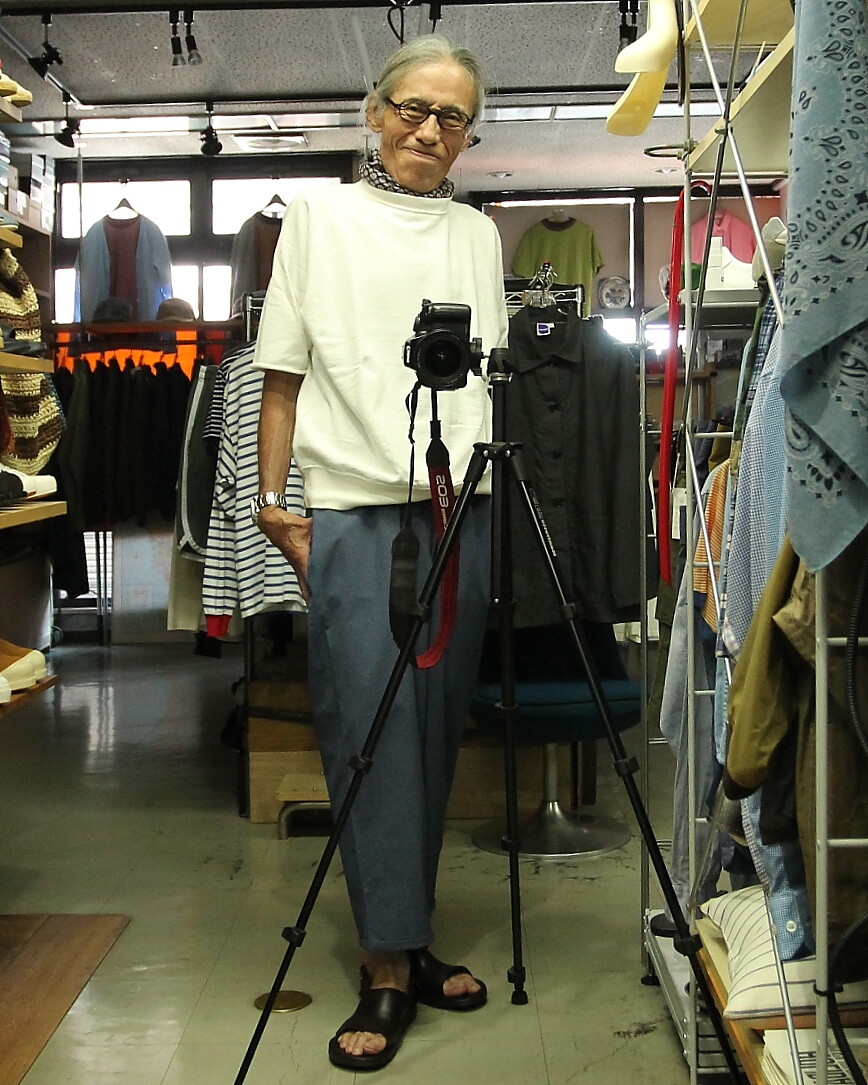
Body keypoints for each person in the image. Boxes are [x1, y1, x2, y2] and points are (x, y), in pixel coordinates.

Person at [252, 35, 508, 1072]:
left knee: (437, 729)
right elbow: (280, 373)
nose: (428, 130)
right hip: (354, 508)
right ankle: (384, 961)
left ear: (467, 136)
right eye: (413, 107)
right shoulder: (316, 218)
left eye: (452, 117)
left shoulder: (478, 234)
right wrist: (274, 503)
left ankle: (411, 925)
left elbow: (484, 376)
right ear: (374, 110)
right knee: (367, 725)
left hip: (460, 508)